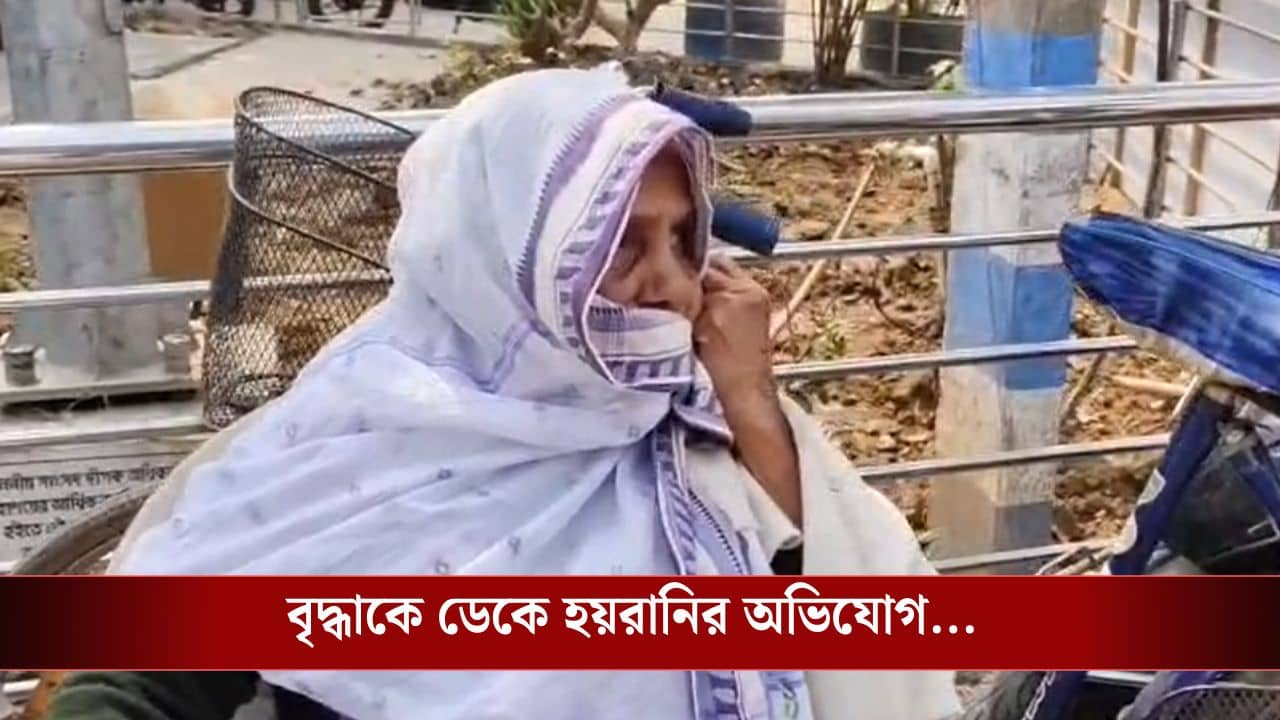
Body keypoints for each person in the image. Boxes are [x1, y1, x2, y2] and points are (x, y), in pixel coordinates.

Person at [49, 65, 961, 720]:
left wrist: (751, 403)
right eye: (619, 247)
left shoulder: (699, 428)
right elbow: (138, 678)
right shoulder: (353, 443)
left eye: (683, 242)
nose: (669, 286)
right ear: (506, 263)